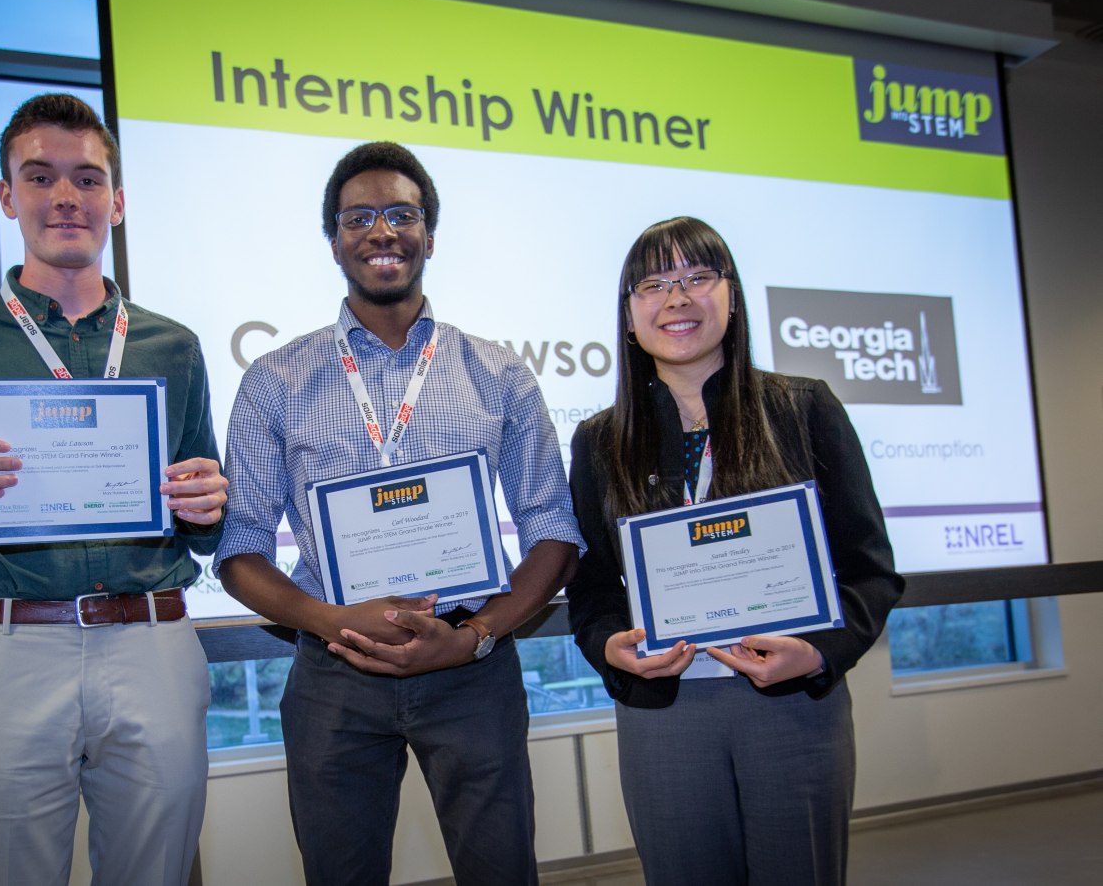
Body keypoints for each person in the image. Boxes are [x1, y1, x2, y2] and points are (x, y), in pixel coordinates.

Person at [0, 94, 227, 886]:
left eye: (88, 179)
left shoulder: (175, 346)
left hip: (153, 645)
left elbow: (204, 526)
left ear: (117, 201)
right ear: (7, 196)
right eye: (40, 176)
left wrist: (210, 506)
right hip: (9, 650)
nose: (66, 196)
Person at [215, 142, 584, 886]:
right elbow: (240, 546)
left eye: (402, 215)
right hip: (333, 675)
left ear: (430, 236)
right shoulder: (274, 380)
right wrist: (329, 620)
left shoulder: (500, 374)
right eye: (360, 218)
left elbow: (554, 529)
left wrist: (472, 637)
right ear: (334, 241)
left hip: (469, 670)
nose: (382, 232)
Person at [566, 217, 903, 886]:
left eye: (698, 277)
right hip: (665, 713)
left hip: (790, 708)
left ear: (733, 296)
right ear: (630, 316)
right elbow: (594, 591)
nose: (678, 298)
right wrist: (611, 646)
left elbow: (871, 571)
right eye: (654, 283)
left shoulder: (804, 409)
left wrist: (817, 652)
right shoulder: (600, 441)